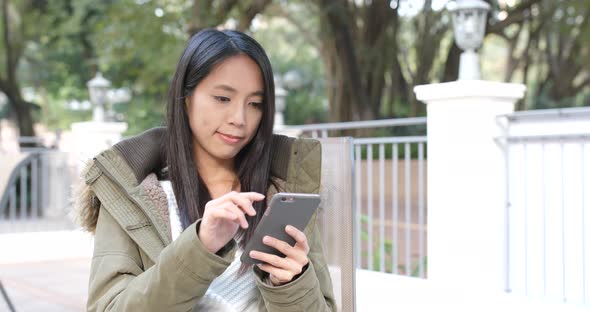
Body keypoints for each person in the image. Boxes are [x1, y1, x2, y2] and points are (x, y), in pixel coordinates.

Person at [74, 29, 336, 311]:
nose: (239, 119)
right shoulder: (131, 191)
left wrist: (291, 285)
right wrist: (200, 246)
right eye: (223, 98)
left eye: (255, 104)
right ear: (186, 98)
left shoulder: (284, 190)